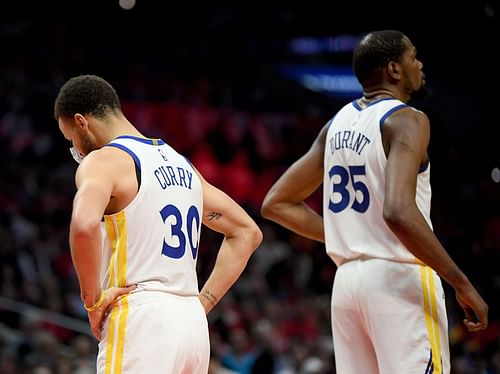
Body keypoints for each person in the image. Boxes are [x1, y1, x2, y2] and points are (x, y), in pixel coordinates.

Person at [261, 30, 488, 373]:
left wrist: (351, 234)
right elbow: (397, 210)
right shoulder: (408, 119)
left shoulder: (335, 125)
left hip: (348, 283)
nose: (420, 64)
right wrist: (461, 281)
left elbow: (276, 203)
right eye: (413, 56)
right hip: (399, 278)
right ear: (394, 70)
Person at [54, 74, 263, 373]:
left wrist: (93, 302)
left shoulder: (104, 161)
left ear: (82, 122)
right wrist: (203, 302)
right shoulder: (181, 164)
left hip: (142, 317)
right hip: (191, 324)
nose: (76, 150)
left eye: (71, 138)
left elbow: (83, 226)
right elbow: (247, 232)